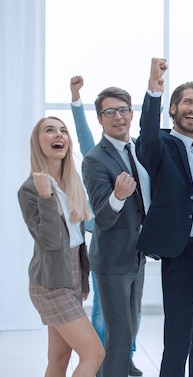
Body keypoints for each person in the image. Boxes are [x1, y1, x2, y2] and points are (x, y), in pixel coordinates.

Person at [135, 58, 193, 377]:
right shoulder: (158, 145)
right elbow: (146, 134)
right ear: (173, 109)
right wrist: (153, 90)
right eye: (187, 101)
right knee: (178, 339)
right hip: (181, 253)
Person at [17, 116, 105, 377]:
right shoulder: (30, 190)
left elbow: (78, 241)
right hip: (50, 282)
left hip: (73, 276)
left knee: (59, 358)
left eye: (63, 131)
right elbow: (51, 242)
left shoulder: (72, 183)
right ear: (38, 142)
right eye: (50, 131)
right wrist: (45, 196)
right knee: (94, 354)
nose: (59, 135)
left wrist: (84, 281)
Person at [69, 75, 144, 377]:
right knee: (117, 332)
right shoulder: (94, 158)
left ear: (131, 114)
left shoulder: (139, 150)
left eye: (123, 109)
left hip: (137, 256)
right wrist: (118, 195)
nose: (118, 116)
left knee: (130, 327)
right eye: (109, 112)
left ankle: (115, 368)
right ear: (100, 118)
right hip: (111, 259)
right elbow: (102, 216)